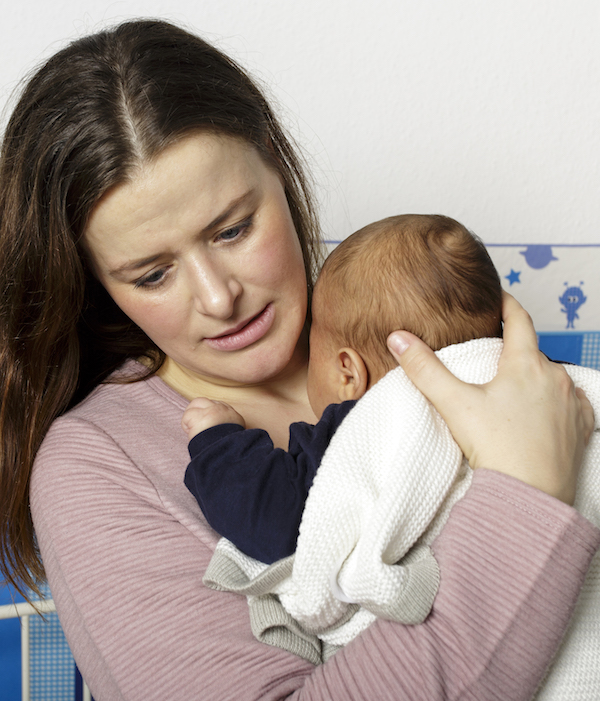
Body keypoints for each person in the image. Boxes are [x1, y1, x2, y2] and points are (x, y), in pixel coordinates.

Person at [0, 19, 597, 701]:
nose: (219, 297)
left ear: (277, 170)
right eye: (151, 275)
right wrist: (526, 490)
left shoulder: (412, 322)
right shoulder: (96, 464)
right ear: (98, 283)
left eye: (233, 229)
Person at [181, 213, 503, 564]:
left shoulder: (360, 431)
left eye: (313, 332)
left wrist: (220, 443)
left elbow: (275, 526)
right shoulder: (518, 387)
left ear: (348, 373)